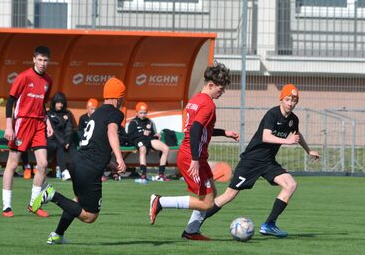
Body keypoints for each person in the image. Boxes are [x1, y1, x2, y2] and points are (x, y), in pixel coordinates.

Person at [192, 84, 320, 238]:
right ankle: (195, 224)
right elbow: (266, 137)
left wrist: (308, 150)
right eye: (287, 99)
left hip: (268, 162)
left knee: (291, 184)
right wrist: (286, 140)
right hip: (251, 161)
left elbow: (296, 135)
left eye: (294, 100)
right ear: (281, 99)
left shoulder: (293, 119)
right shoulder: (272, 114)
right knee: (229, 195)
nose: (290, 103)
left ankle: (269, 225)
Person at [149, 61, 239, 240]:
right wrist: (196, 160)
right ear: (211, 85)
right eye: (220, 89)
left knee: (211, 193)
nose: (222, 93)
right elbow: (196, 129)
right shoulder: (208, 104)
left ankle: (191, 231)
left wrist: (224, 133)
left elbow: (200, 128)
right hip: (192, 156)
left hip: (194, 154)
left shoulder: (196, 99)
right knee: (206, 203)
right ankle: (160, 202)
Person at [32, 77, 127, 244]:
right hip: (89, 169)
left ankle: (57, 235)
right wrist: (120, 158)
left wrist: (111, 164)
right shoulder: (116, 113)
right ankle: (51, 195)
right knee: (90, 216)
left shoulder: (97, 113)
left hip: (77, 162)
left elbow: (95, 144)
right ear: (119, 98)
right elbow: (112, 132)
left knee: (77, 202)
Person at [2, 46, 54, 218]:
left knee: (43, 164)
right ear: (34, 59)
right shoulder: (23, 77)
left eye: (45, 60)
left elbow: (43, 105)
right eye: (40, 59)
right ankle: (6, 206)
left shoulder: (48, 81)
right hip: (22, 122)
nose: (42, 63)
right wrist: (9, 125)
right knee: (12, 164)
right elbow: (10, 103)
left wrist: (48, 122)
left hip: (39, 123)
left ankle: (33, 204)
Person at [127, 102, 170, 183]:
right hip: (139, 140)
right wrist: (141, 133)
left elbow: (152, 134)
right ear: (136, 113)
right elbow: (130, 136)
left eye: (145, 113)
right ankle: (143, 174)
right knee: (143, 149)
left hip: (149, 140)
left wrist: (156, 135)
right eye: (141, 113)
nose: (143, 115)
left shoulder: (149, 121)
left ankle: (161, 175)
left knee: (166, 148)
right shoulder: (133, 122)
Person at [46, 92, 75, 181]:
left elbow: (69, 129)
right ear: (54, 102)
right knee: (58, 145)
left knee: (73, 148)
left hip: (64, 140)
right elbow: (53, 131)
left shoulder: (67, 114)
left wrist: (68, 141)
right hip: (50, 140)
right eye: (58, 102)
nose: (61, 105)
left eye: (62, 103)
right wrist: (64, 142)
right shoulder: (48, 114)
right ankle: (64, 171)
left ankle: (73, 171)